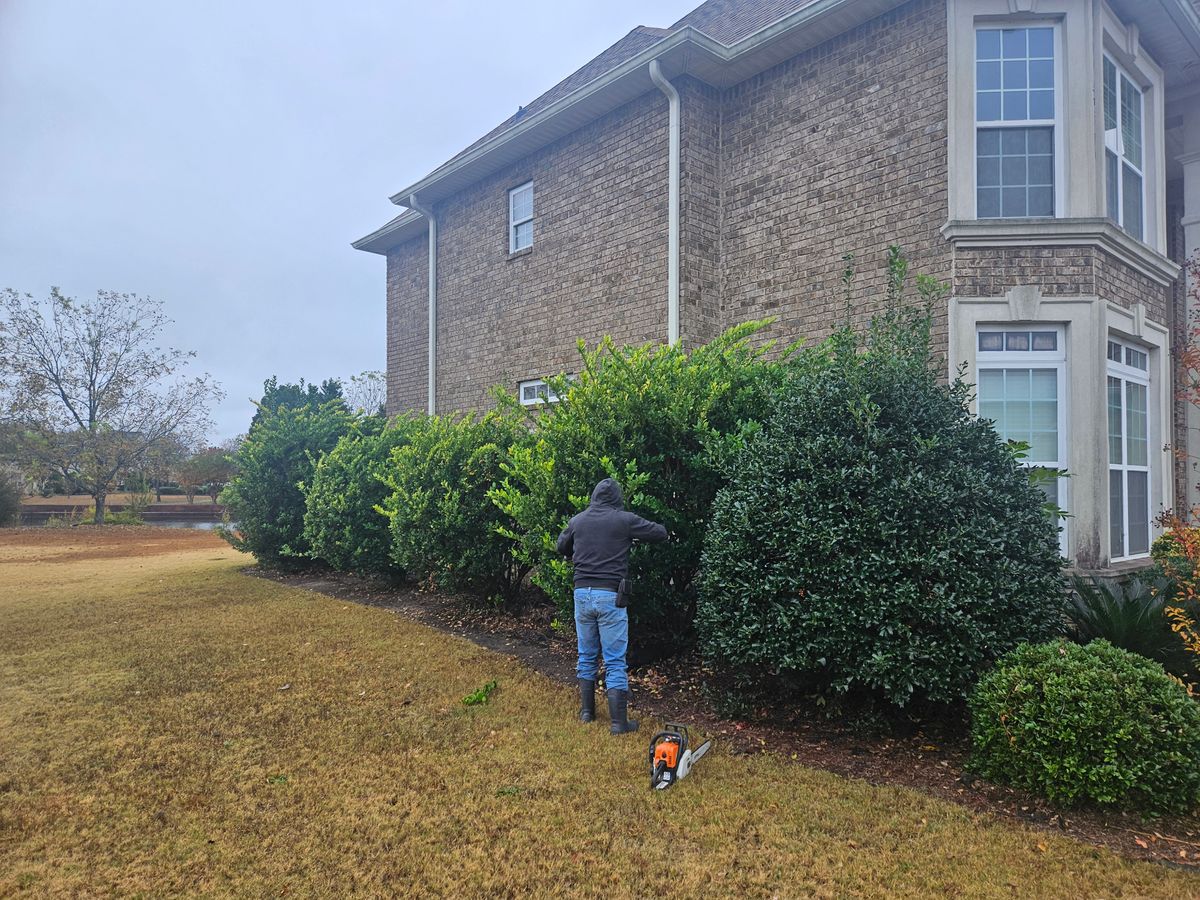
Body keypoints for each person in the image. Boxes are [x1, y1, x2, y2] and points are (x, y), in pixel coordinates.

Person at [557, 477, 667, 734]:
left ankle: (587, 713)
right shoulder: (624, 520)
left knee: (586, 654)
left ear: (594, 497)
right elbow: (659, 532)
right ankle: (619, 723)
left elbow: (561, 546)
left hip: (581, 593)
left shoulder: (578, 520)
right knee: (615, 660)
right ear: (616, 498)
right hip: (610, 596)